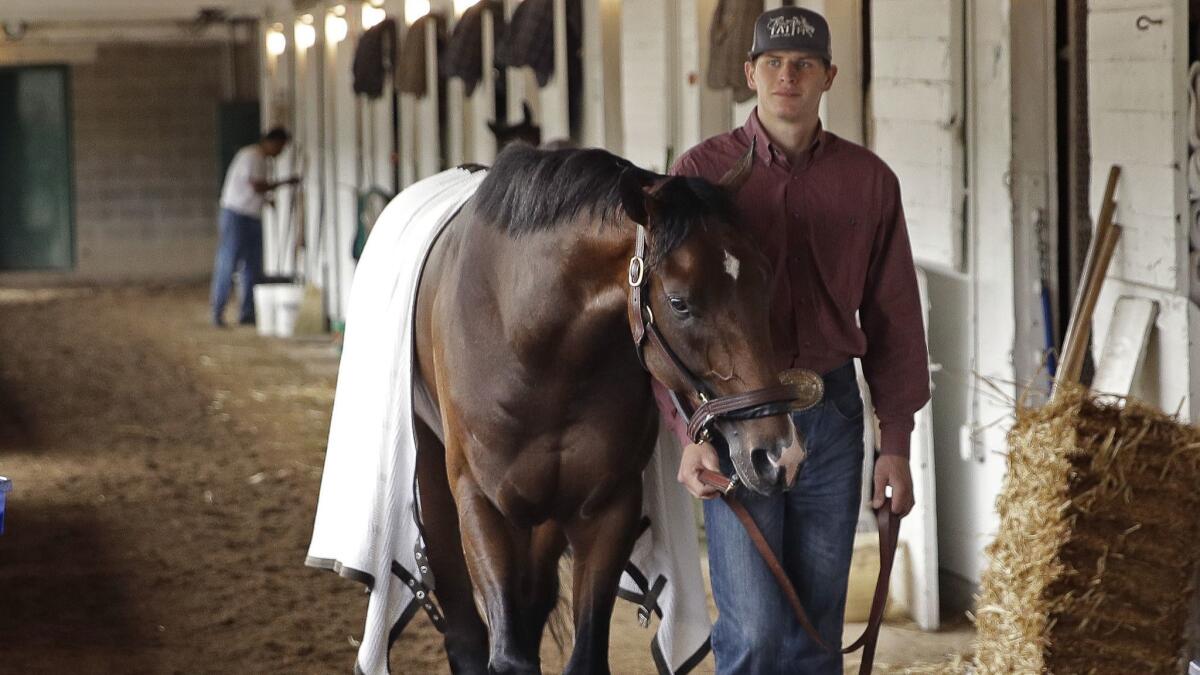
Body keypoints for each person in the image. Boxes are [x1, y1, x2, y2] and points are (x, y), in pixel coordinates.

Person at [662, 7, 931, 673]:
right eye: (774, 63)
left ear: (828, 76)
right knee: (753, 629)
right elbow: (671, 315)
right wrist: (687, 430)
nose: (789, 75)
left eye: (804, 64)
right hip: (736, 416)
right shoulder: (700, 173)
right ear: (750, 73)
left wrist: (894, 445)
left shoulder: (869, 181)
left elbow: (896, 317)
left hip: (832, 414)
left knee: (815, 633)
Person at [210, 126, 298, 327]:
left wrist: (265, 200)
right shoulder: (253, 156)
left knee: (252, 266)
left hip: (250, 215)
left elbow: (250, 189)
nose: (280, 152)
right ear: (273, 142)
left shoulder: (256, 158)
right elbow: (256, 186)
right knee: (228, 262)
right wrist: (286, 182)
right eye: (281, 147)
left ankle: (247, 313)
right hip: (237, 215)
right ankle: (217, 311)